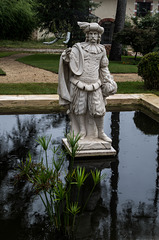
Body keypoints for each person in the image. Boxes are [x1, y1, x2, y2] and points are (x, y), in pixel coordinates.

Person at [58, 22, 117, 143]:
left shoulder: (102, 50)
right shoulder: (78, 48)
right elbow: (71, 63)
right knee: (80, 109)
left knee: (98, 110)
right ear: (87, 35)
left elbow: (104, 67)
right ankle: (82, 131)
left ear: (99, 36)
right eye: (91, 34)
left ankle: (100, 132)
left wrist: (108, 80)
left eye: (95, 34)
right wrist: (66, 57)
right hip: (79, 84)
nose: (93, 36)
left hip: (95, 84)